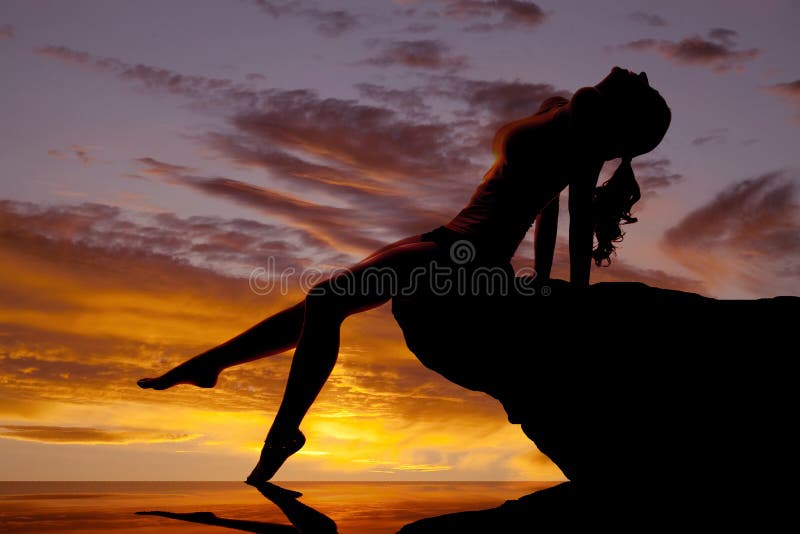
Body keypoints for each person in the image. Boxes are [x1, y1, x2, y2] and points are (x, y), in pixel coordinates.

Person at [137, 66, 671, 485]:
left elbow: (574, 215)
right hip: (445, 236)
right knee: (321, 305)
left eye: (643, 88)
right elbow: (549, 210)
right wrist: (544, 266)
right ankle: (209, 366)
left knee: (326, 299)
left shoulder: (585, 127)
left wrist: (574, 294)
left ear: (621, 121)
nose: (640, 73)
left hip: (471, 257)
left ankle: (283, 431)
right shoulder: (562, 109)